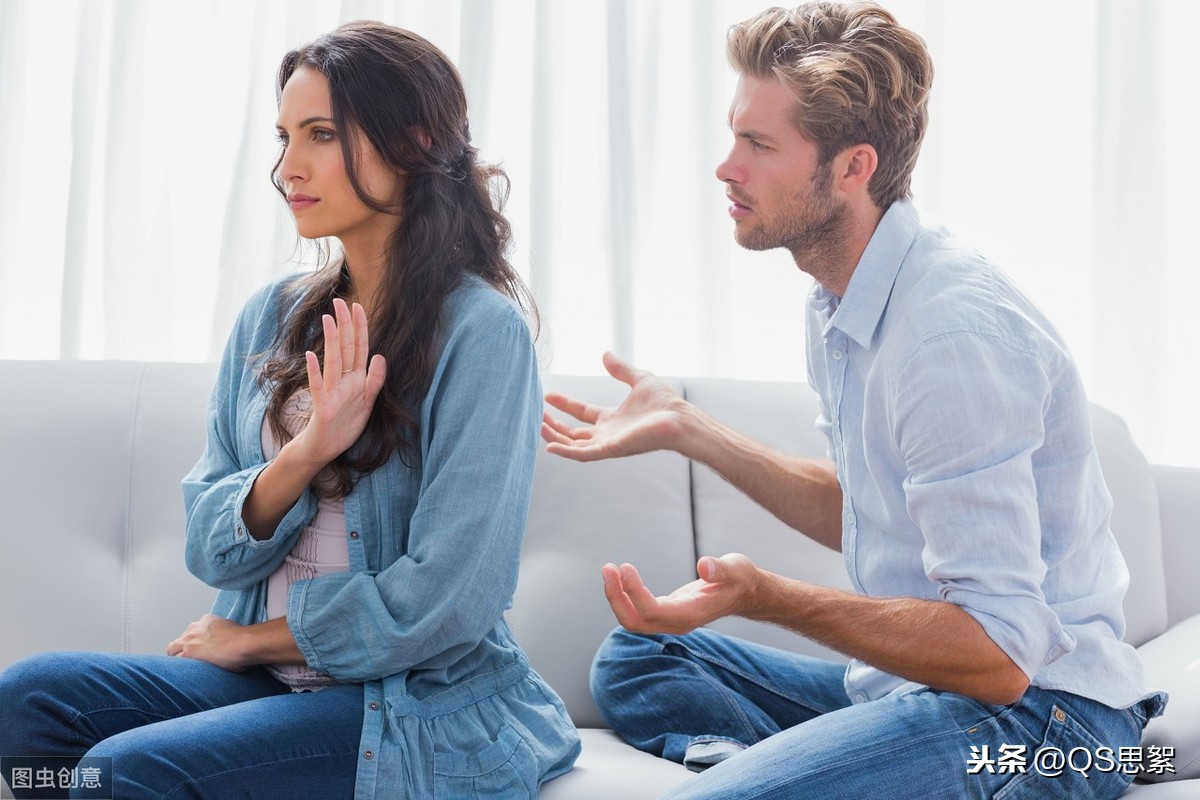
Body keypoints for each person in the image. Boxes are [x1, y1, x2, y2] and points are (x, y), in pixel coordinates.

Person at [541, 3, 1165, 798]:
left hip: (1046, 725)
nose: (725, 167)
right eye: (735, 134)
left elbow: (1002, 660)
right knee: (640, 656)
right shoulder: (844, 300)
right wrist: (690, 430)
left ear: (852, 168)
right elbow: (870, 507)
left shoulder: (950, 337)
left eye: (759, 145)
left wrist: (769, 597)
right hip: (919, 693)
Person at [0, 21, 579, 799]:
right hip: (271, 684)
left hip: (400, 705)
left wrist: (249, 641)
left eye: (321, 135)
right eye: (283, 136)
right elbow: (209, 543)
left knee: (121, 772)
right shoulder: (272, 316)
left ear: (412, 141)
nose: (287, 167)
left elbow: (447, 600)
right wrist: (305, 454)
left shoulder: (482, 334)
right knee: (29, 701)